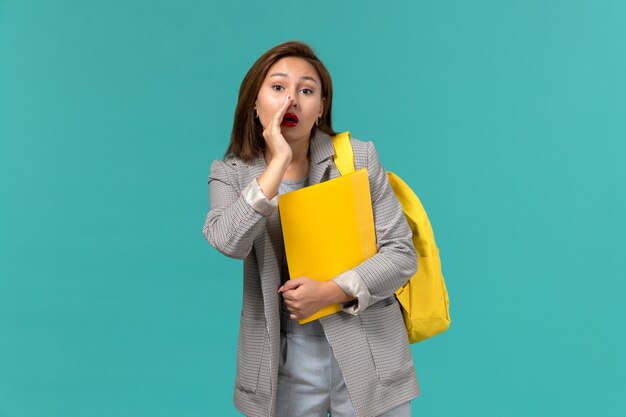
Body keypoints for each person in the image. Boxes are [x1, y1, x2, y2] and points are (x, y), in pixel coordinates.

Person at [202, 41, 419, 417]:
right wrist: (278, 164)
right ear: (255, 103)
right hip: (283, 362)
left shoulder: (358, 158)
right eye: (278, 87)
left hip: (367, 349)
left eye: (306, 90)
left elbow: (401, 253)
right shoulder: (231, 173)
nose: (292, 100)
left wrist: (334, 291)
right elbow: (228, 241)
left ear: (321, 108)